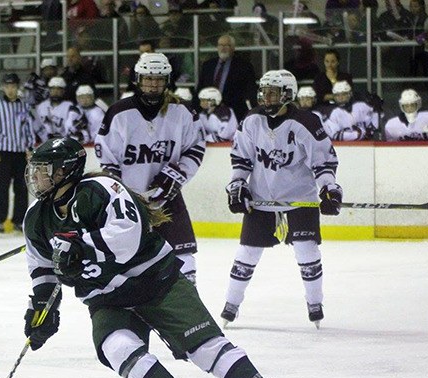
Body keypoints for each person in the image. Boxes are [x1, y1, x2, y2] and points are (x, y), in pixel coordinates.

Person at [21, 136, 306, 378]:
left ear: (66, 170)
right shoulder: (36, 220)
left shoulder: (101, 190)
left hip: (157, 282)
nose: (36, 177)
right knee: (116, 348)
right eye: (35, 170)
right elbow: (41, 266)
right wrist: (43, 307)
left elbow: (127, 236)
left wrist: (80, 246)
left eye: (43, 169)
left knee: (206, 350)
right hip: (107, 299)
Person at [221, 70, 341, 327]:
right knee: (247, 252)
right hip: (262, 198)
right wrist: (238, 184)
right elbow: (241, 159)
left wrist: (329, 187)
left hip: (300, 198)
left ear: (288, 94)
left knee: (306, 250)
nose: (267, 97)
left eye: (274, 92)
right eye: (265, 92)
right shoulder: (252, 120)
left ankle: (314, 304)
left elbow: (323, 163)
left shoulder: (306, 123)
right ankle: (230, 305)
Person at [95, 53, 206, 284]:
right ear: (137, 79)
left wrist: (176, 176)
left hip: (167, 197)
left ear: (167, 80)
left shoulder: (183, 111)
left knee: (183, 255)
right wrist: (119, 191)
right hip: (129, 202)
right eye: (148, 78)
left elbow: (195, 148)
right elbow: (107, 157)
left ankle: (187, 306)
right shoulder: (119, 112)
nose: (153, 84)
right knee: (127, 260)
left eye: (159, 78)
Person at [0, 73, 35, 234]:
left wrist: (30, 148)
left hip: (21, 154)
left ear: (17, 87)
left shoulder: (24, 106)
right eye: (7, 86)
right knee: (0, 189)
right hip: (3, 154)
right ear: (3, 87)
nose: (10, 90)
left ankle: (18, 221)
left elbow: (28, 128)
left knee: (21, 189)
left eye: (13, 86)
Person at [196, 34, 258, 121]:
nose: (223, 48)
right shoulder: (208, 65)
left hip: (234, 115)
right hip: (208, 114)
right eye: (220, 45)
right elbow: (200, 88)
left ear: (233, 48)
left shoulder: (244, 66)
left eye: (226, 45)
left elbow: (250, 91)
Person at [34, 76, 76, 144]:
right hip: (44, 143)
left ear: (63, 91)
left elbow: (72, 127)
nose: (55, 92)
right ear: (49, 90)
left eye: (58, 89)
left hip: (64, 143)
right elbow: (37, 125)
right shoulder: (42, 106)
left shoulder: (69, 106)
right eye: (53, 89)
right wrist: (45, 136)